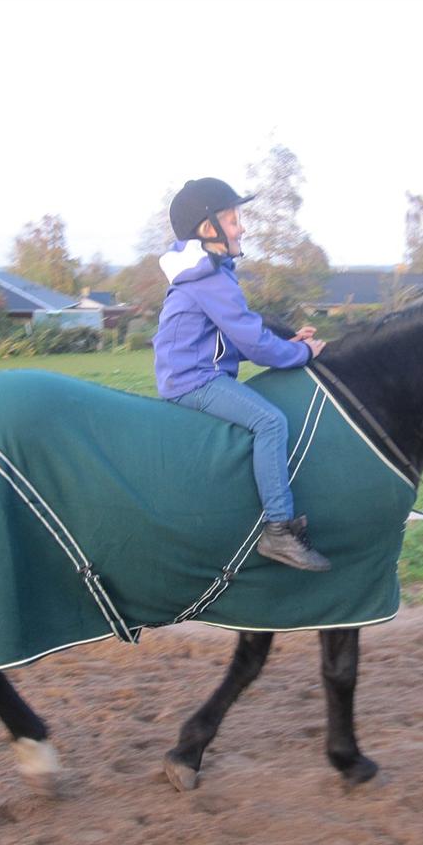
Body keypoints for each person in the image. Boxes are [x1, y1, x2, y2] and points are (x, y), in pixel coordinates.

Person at [154, 177, 331, 572]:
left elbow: (242, 322)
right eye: (234, 220)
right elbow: (253, 344)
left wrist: (287, 334)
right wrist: (301, 352)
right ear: (208, 228)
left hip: (195, 373)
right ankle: (278, 531)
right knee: (270, 422)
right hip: (194, 380)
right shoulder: (210, 276)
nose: (242, 227)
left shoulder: (208, 272)